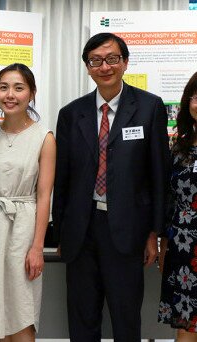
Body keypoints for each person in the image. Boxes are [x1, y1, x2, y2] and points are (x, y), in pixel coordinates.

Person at [52, 32, 169, 341]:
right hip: (81, 230)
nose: (104, 67)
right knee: (82, 319)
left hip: (128, 232)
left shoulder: (149, 107)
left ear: (125, 62)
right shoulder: (70, 113)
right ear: (88, 67)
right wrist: (62, 232)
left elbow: (159, 175)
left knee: (126, 319)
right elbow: (61, 179)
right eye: (96, 61)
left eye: (112, 59)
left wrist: (155, 233)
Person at [0, 63, 56, 341]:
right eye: (3, 87)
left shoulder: (44, 137)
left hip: (23, 228)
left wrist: (37, 247)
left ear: (32, 93)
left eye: (19, 88)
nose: (10, 94)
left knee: (21, 310)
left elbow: (44, 195)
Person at [158, 72, 197, 341]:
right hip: (184, 246)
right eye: (196, 96)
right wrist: (163, 243)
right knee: (187, 326)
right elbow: (168, 199)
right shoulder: (178, 147)